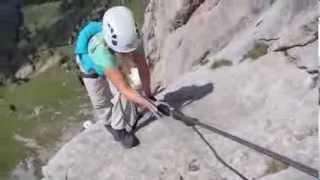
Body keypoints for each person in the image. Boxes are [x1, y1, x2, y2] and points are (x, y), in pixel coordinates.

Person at [74, 6, 158, 148]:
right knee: (101, 102)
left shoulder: (133, 39)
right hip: (91, 69)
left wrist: (148, 95)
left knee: (131, 88)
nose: (129, 54)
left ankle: (126, 119)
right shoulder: (101, 51)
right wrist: (146, 103)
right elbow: (123, 88)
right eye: (125, 52)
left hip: (114, 59)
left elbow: (143, 67)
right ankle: (115, 128)